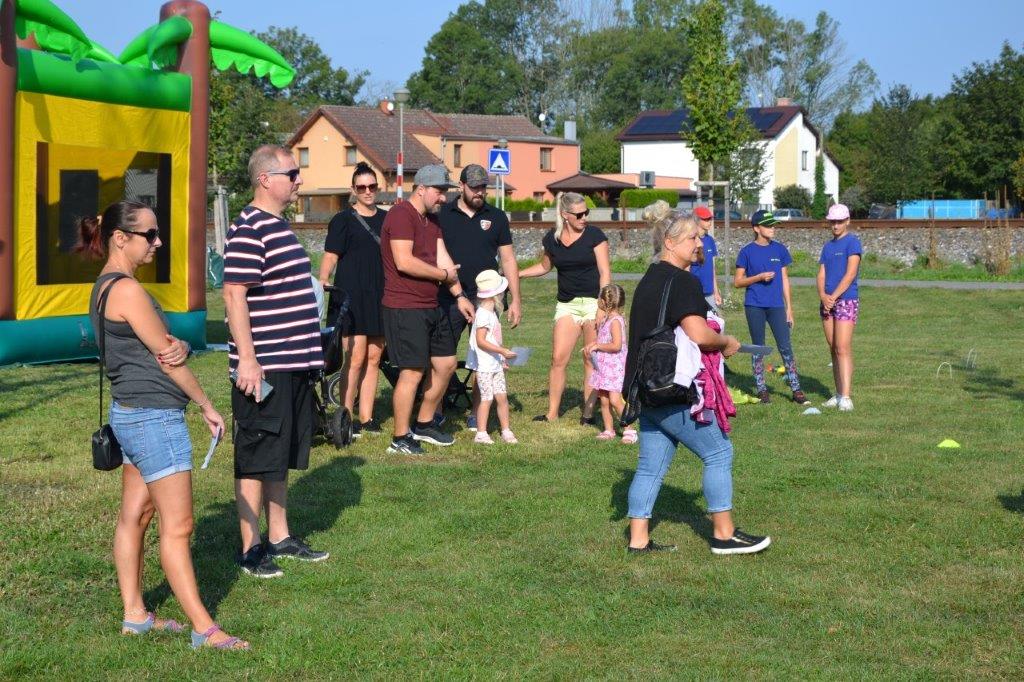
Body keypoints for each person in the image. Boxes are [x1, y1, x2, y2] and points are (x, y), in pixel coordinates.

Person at [80, 200, 247, 649]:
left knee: (136, 515)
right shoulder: (128, 291)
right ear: (121, 238)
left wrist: (179, 348)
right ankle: (204, 629)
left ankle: (135, 616)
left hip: (128, 414)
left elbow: (164, 347)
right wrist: (207, 405)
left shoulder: (105, 285)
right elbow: (166, 358)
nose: (158, 242)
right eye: (149, 235)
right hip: (154, 418)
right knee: (179, 526)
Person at [624, 213, 771, 556]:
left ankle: (638, 541)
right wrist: (727, 342)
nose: (699, 243)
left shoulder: (649, 278)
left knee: (650, 466)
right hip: (673, 388)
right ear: (670, 242)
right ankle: (724, 535)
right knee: (719, 452)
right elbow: (700, 335)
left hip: (645, 388)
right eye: (692, 237)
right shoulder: (683, 281)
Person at [223, 144, 328, 579]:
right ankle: (251, 548)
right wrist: (248, 359)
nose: (299, 180)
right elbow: (234, 295)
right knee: (256, 453)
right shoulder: (250, 227)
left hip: (292, 363)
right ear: (265, 179)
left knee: (279, 451)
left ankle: (280, 536)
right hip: (264, 366)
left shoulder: (278, 225)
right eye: (292, 174)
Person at [380, 164, 475, 455]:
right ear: (421, 189)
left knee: (446, 365)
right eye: (439, 191)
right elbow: (404, 262)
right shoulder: (400, 215)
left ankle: (423, 423)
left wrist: (459, 295)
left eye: (446, 191)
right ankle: (400, 438)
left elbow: (444, 258)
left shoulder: (432, 220)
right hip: (405, 307)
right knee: (412, 372)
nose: (444, 198)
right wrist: (442, 275)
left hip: (432, 305)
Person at [438, 164, 522, 430]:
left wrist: (515, 299)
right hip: (449, 296)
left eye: (483, 187)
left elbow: (508, 259)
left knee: (485, 358)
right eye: (474, 187)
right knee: (442, 355)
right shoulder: (443, 214)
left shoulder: (496, 217)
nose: (479, 192)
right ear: (461, 186)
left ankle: (478, 412)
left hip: (487, 299)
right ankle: (436, 410)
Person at [520, 191, 611, 423]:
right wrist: (516, 274)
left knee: (590, 359)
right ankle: (552, 414)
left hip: (593, 303)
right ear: (565, 215)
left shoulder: (595, 235)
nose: (584, 218)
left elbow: (605, 273)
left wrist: (602, 306)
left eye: (586, 213)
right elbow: (544, 266)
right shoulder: (553, 239)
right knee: (558, 359)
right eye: (579, 214)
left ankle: (588, 414)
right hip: (567, 304)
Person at [318, 161, 386, 437]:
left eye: (372, 186)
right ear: (353, 190)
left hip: (379, 295)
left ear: (378, 188)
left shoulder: (386, 219)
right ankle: (344, 417)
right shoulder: (342, 220)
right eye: (362, 187)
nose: (367, 191)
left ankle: (367, 418)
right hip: (351, 296)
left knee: (374, 357)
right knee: (355, 358)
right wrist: (323, 280)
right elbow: (331, 255)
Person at [733, 210, 809, 405]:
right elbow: (738, 282)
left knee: (786, 347)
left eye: (773, 225)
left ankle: (796, 389)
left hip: (776, 306)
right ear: (756, 228)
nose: (772, 228)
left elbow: (784, 279)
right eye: (768, 225)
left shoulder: (780, 250)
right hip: (754, 306)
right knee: (759, 348)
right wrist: (758, 277)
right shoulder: (746, 252)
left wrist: (789, 308)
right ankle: (761, 389)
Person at [817, 203, 862, 411]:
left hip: (845, 300)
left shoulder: (852, 243)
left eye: (839, 222)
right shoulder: (827, 247)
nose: (835, 225)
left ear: (847, 221)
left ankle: (846, 396)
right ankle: (837, 393)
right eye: (832, 222)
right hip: (828, 302)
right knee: (833, 348)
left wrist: (833, 297)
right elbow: (821, 274)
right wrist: (823, 296)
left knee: (843, 347)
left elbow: (850, 274)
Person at [466, 270, 518, 445]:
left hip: (495, 365)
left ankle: (506, 429)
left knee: (502, 398)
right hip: (485, 367)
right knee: (487, 399)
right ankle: (481, 433)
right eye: (503, 291)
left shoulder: (491, 314)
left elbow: (493, 339)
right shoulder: (482, 315)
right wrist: (502, 351)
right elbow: (481, 341)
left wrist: (501, 358)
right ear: (496, 294)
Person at [583, 284, 635, 444]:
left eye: (599, 298)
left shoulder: (615, 322)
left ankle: (630, 429)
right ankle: (608, 429)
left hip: (614, 368)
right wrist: (593, 345)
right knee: (604, 400)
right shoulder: (606, 319)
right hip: (604, 368)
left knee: (614, 399)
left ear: (605, 302)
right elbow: (605, 340)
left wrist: (598, 346)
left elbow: (616, 345)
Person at [689, 205, 723, 313]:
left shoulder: (710, 240)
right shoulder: (690, 241)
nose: (709, 222)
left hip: (709, 293)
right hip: (693, 292)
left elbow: (712, 268)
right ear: (696, 220)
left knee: (714, 321)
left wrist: (716, 292)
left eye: (710, 219)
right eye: (706, 219)